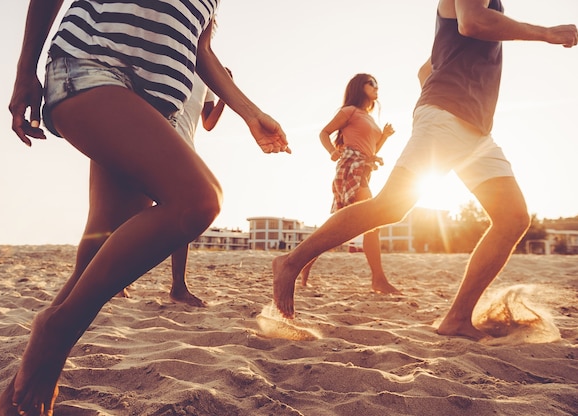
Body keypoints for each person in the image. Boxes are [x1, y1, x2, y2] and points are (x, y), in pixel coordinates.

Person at [0, 0, 290, 414]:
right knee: (199, 200)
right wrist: (24, 71)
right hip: (90, 67)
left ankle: (12, 403)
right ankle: (54, 331)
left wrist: (250, 113)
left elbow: (200, 50)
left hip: (151, 108)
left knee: (96, 259)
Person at [272, 0, 577, 340]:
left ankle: (457, 318)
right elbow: (473, 22)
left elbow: (425, 70)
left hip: (475, 131)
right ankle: (290, 262)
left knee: (513, 218)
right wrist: (546, 33)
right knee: (391, 206)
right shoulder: (477, 7)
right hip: (447, 119)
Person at [119, 70, 232, 305]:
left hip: (186, 146)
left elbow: (208, 122)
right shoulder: (167, 56)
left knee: (186, 213)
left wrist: (224, 91)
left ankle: (178, 287)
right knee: (134, 212)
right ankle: (119, 281)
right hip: (153, 141)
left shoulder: (206, 74)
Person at [299, 73, 400, 295]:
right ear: (359, 87)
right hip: (350, 168)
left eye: (377, 84)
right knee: (372, 221)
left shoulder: (369, 117)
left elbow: (371, 150)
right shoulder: (349, 112)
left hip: (364, 168)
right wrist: (332, 152)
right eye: (372, 83)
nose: (376, 88)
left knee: (337, 227)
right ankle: (378, 279)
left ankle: (301, 264)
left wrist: (384, 137)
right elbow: (324, 132)